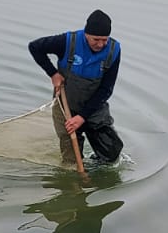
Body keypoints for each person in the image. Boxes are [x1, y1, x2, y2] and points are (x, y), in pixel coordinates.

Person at [27, 9, 124, 164]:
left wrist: (82, 117)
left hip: (95, 107)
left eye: (104, 40)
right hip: (66, 106)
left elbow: (106, 89)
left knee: (111, 154)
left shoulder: (113, 51)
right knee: (71, 160)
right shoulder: (67, 42)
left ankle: (95, 167)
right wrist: (53, 73)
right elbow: (35, 47)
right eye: (96, 39)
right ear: (86, 34)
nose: (100, 44)